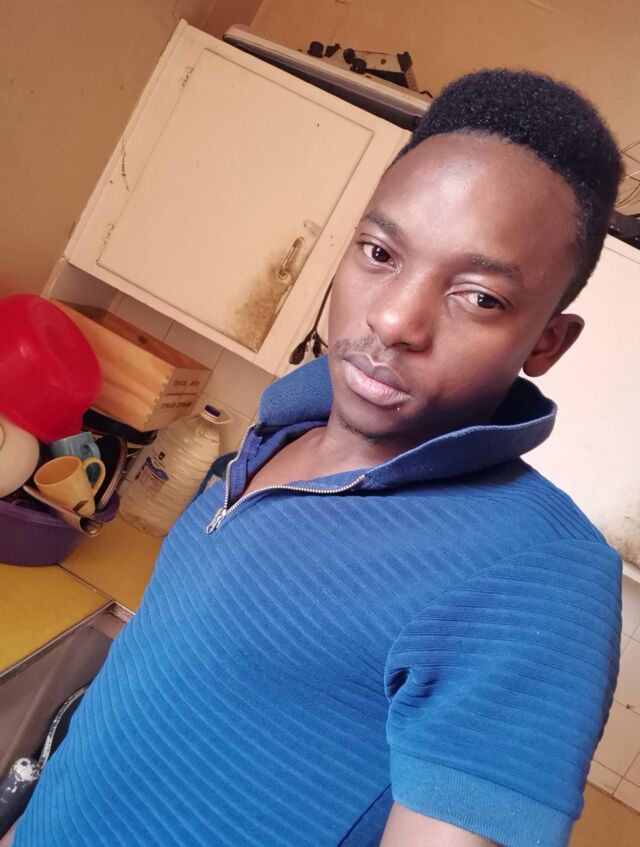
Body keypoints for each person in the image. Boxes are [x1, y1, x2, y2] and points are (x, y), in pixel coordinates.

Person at [8, 68, 623, 847]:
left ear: (546, 343)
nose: (394, 318)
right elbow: (144, 692)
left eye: (479, 296)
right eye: (380, 251)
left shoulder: (538, 570)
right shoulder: (277, 430)